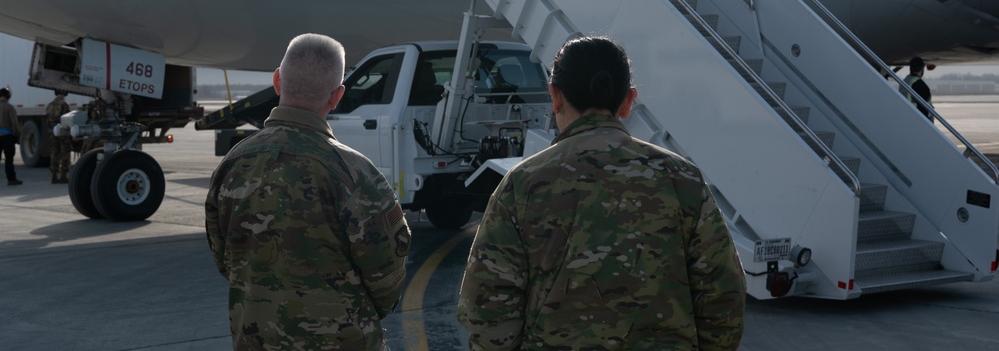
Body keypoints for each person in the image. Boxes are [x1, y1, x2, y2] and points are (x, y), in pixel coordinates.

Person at [457, 35, 746, 350]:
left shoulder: (521, 184)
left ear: (555, 96)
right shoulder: (682, 179)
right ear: (629, 100)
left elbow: (487, 306)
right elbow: (723, 293)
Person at [205, 33, 411, 351]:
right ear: (337, 96)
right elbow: (386, 276)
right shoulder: (356, 172)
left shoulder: (232, 165)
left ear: (277, 81)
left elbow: (224, 258)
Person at [46, 90, 71, 184]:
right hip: (63, 131)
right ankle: (63, 176)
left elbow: (48, 118)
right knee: (65, 152)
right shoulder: (64, 104)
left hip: (53, 131)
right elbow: (67, 118)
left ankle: (54, 176)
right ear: (64, 94)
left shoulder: (50, 105)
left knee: (54, 152)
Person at [0, 86, 23, 185]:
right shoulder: (10, 107)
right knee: (9, 160)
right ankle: (11, 179)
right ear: (8, 96)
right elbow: (14, 123)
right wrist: (17, 135)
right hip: (7, 137)